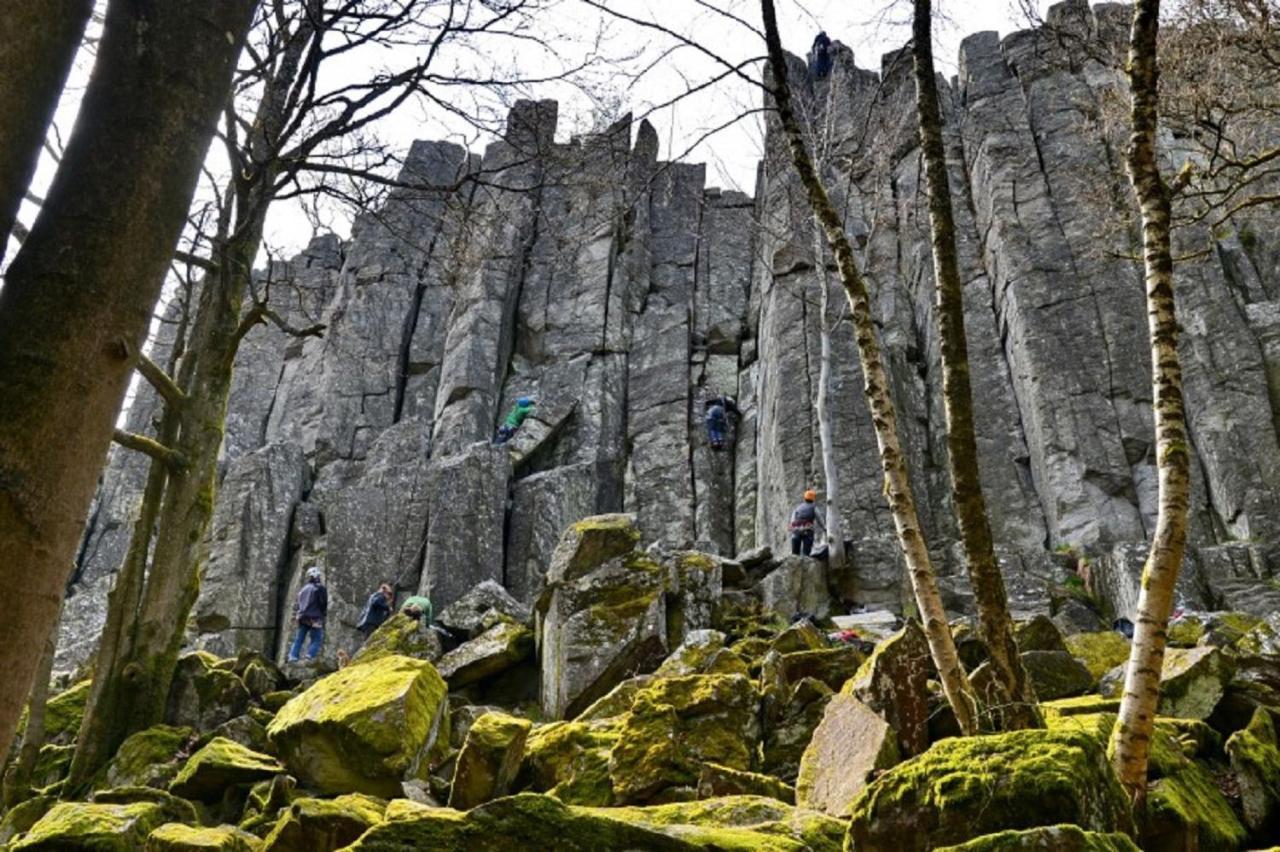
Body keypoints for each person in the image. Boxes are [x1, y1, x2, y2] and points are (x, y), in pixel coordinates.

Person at [287, 566, 328, 663]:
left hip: (302, 617)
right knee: (316, 639)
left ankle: (292, 656)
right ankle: (309, 656)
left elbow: (298, 604)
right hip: (315, 617)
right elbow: (323, 603)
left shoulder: (303, 589)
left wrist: (297, 616)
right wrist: (323, 614)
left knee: (299, 639)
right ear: (317, 576)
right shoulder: (320, 588)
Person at [789, 489, 825, 556]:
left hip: (796, 531)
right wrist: (824, 528)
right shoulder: (814, 508)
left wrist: (794, 529)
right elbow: (819, 519)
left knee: (794, 555)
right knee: (806, 554)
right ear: (813, 499)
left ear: (804, 498)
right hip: (808, 531)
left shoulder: (798, 508)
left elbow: (792, 521)